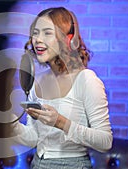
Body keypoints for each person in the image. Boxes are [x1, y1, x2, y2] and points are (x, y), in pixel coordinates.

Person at [12, 7, 113, 169]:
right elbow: (33, 138)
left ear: (69, 39)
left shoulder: (87, 80)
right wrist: (9, 125)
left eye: (47, 33)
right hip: (38, 164)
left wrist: (61, 122)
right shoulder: (36, 82)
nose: (37, 39)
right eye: (35, 33)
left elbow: (105, 141)